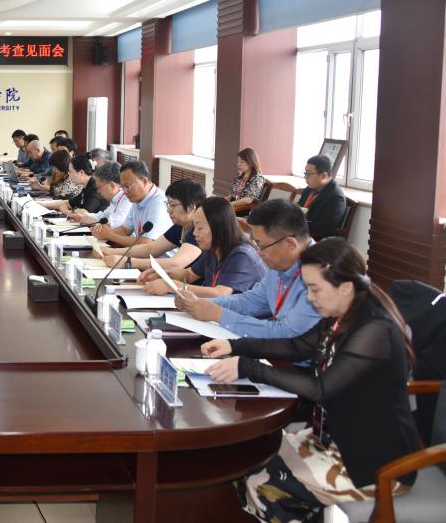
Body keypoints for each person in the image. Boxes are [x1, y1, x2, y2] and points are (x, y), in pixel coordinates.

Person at [202, 238, 420, 522]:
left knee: (262, 488)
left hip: (373, 461)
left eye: (315, 289)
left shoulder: (375, 329)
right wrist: (235, 346)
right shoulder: (342, 312)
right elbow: (297, 346)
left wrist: (249, 368)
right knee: (243, 463)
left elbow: (321, 389)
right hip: (336, 437)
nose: (309, 297)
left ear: (345, 287)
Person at [174, 199, 321, 338]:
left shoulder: (320, 275)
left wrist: (219, 314)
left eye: (261, 245)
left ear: (290, 244)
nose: (258, 253)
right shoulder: (280, 262)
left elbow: (287, 333)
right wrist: (204, 304)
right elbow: (251, 301)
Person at [141, 196, 265, 296]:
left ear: (218, 227)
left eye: (200, 228)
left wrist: (173, 286)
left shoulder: (241, 254)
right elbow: (189, 275)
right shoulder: (213, 248)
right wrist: (163, 274)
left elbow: (220, 293)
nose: (194, 233)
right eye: (194, 227)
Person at [96, 178, 205, 269]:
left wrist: (127, 262)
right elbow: (150, 248)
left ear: (191, 207)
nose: (168, 210)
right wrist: (111, 251)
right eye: (168, 205)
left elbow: (175, 263)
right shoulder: (179, 227)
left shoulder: (199, 231)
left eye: (172, 205)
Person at [92, 160, 172, 247]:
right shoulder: (137, 199)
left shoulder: (159, 203)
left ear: (144, 181)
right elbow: (125, 230)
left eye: (128, 186)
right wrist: (102, 233)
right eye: (122, 187)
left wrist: (110, 235)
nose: (125, 192)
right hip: (140, 253)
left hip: (157, 255)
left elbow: (146, 242)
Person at [297, 154, 347, 240]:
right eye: (305, 173)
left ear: (323, 176)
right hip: (301, 233)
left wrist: (297, 224)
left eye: (309, 174)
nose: (305, 177)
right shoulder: (309, 189)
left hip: (317, 240)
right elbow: (300, 206)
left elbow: (326, 227)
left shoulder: (336, 197)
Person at [38, 154, 106, 215]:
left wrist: (66, 211)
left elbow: (84, 213)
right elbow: (68, 203)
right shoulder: (86, 187)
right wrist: (42, 205)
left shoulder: (95, 188)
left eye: (70, 172)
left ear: (81, 173)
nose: (69, 175)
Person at [71, 162, 131, 228]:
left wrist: (93, 222)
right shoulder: (115, 198)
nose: (98, 191)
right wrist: (83, 217)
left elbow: (116, 224)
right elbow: (103, 215)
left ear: (112, 185)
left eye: (99, 187)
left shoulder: (127, 199)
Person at [228, 147, 267, 213]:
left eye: (242, 162)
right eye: (238, 161)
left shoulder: (258, 179)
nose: (238, 164)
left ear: (251, 162)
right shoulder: (239, 177)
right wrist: (220, 201)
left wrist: (229, 204)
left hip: (242, 210)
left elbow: (248, 200)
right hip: (233, 207)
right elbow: (231, 196)